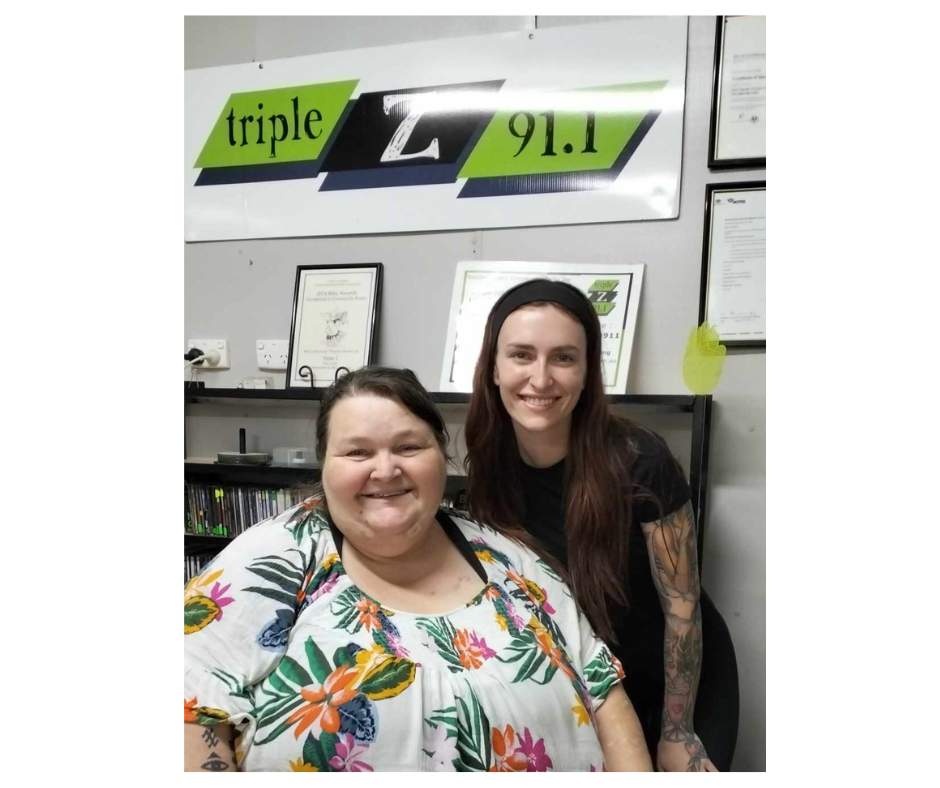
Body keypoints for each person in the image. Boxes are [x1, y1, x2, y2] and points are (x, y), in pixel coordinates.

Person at [184, 366, 652, 772]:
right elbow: (186, 700)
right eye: (358, 453)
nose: (386, 470)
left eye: (408, 447)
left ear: (441, 456)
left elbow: (605, 693)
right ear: (324, 465)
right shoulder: (276, 557)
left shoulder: (511, 560)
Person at [464, 278, 724, 772]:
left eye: (563, 357)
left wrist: (677, 733)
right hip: (566, 694)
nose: (540, 379)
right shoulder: (487, 460)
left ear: (587, 373)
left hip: (659, 693)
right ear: (493, 369)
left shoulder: (641, 461)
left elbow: (683, 612)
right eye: (521, 355)